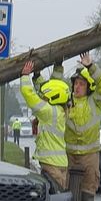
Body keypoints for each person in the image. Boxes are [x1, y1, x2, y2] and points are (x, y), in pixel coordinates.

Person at [65, 52, 101, 201]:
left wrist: (91, 66)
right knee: (66, 191)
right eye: (75, 83)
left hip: (90, 156)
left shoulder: (96, 102)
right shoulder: (66, 102)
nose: (77, 87)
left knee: (87, 192)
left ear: (88, 87)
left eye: (81, 84)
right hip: (68, 155)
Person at [20, 60, 69, 189]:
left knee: (53, 200)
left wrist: (25, 76)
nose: (43, 98)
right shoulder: (61, 111)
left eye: (46, 96)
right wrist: (36, 77)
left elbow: (30, 95)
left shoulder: (49, 112)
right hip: (61, 163)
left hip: (51, 165)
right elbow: (48, 89)